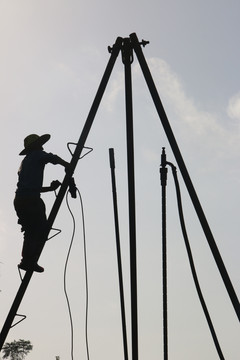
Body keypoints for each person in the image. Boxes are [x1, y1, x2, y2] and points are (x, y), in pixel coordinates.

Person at [14, 134, 70, 273]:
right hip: (31, 200)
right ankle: (29, 261)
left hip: (20, 200)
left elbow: (28, 188)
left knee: (30, 230)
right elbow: (52, 158)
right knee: (39, 229)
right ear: (37, 145)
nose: (42, 147)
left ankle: (26, 261)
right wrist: (67, 164)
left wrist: (50, 189)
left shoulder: (25, 162)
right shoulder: (37, 154)